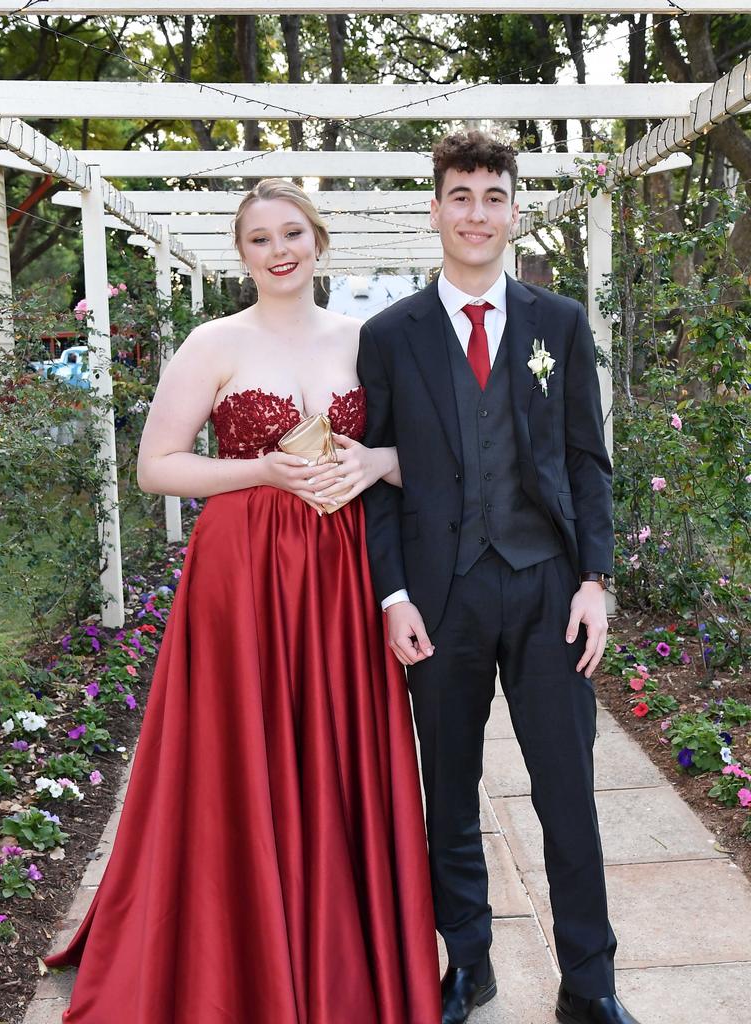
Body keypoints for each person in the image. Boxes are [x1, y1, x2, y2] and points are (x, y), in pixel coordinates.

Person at [43, 178, 441, 1024]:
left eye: (291, 232)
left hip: (341, 571)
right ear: (243, 255)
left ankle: (337, 940)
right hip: (243, 572)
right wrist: (260, 470)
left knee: (337, 744)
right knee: (241, 744)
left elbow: (423, 462)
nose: (279, 250)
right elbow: (158, 466)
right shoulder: (212, 342)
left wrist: (374, 461)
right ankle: (240, 940)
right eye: (259, 239)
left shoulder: (369, 341)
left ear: (319, 240)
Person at [357, 131, 641, 1024]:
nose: (477, 213)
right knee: (448, 795)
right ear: (436, 209)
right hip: (442, 599)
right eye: (461, 195)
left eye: (492, 196)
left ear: (514, 210)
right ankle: (467, 962)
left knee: (568, 794)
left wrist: (595, 578)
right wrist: (392, 594)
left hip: (549, 586)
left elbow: (589, 462)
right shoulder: (388, 335)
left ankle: (589, 982)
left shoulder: (557, 322)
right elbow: (373, 476)